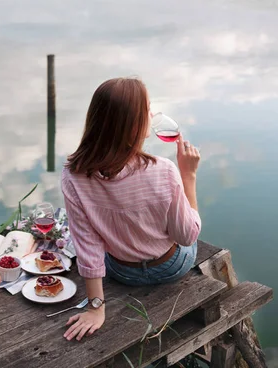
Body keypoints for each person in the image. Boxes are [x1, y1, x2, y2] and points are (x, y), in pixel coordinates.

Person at [61, 77, 201, 342]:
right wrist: (188, 177)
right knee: (191, 226)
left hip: (121, 271)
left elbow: (88, 247)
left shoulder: (73, 175)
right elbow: (187, 236)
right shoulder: (164, 170)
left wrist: (96, 309)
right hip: (171, 267)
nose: (153, 115)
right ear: (135, 124)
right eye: (148, 109)